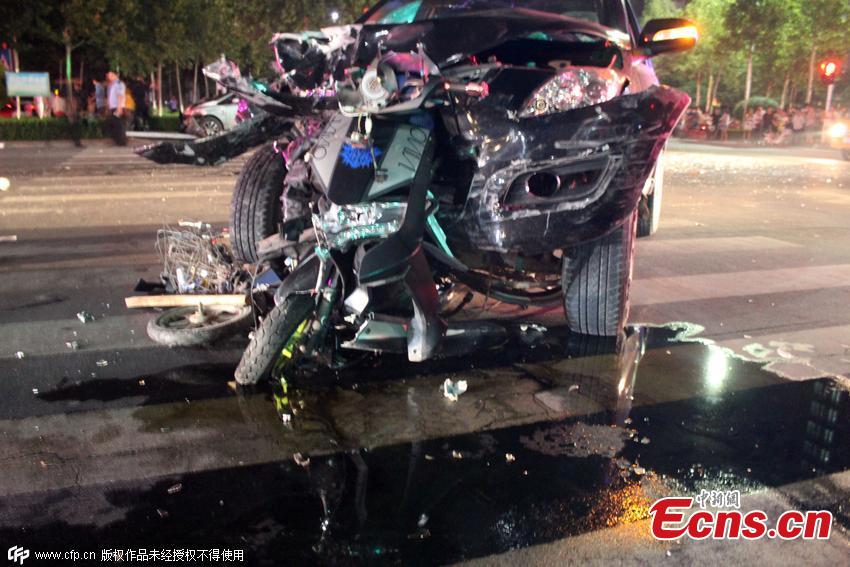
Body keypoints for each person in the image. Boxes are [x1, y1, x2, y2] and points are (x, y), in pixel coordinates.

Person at [103, 70, 128, 146]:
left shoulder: (118, 83)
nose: (109, 77)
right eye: (109, 75)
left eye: (111, 75)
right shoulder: (112, 84)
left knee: (118, 124)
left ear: (116, 75)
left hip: (118, 107)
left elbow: (120, 95)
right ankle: (118, 140)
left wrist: (119, 107)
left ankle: (121, 141)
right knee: (114, 124)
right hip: (113, 107)